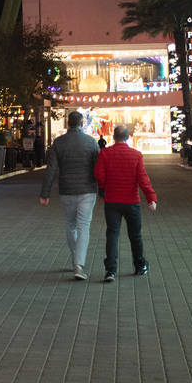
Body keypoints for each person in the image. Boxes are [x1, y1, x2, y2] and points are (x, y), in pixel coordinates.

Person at [39, 111, 100, 281]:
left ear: (68, 123)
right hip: (87, 189)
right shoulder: (91, 142)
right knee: (83, 226)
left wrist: (45, 193)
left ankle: (76, 260)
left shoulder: (58, 143)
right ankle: (79, 265)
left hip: (66, 190)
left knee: (70, 225)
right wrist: (103, 190)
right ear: (82, 124)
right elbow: (99, 168)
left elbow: (50, 169)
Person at [94, 124, 158, 283]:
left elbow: (99, 175)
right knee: (135, 235)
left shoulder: (105, 153)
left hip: (112, 201)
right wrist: (151, 198)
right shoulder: (136, 155)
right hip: (131, 202)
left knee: (112, 235)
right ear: (128, 137)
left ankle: (110, 270)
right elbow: (143, 179)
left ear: (113, 137)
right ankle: (139, 265)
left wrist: (103, 189)